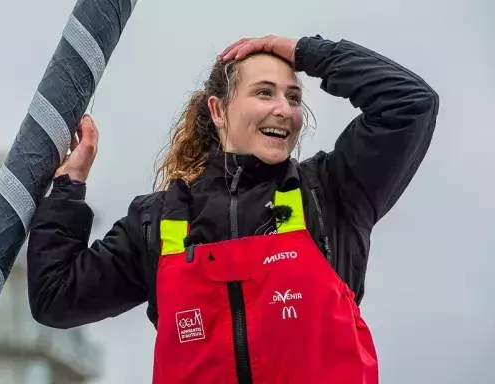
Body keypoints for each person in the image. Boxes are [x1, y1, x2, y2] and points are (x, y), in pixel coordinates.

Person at [26, 34, 438, 383]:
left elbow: (410, 102)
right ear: (219, 110)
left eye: (293, 97)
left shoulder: (330, 195)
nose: (284, 109)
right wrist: (68, 187)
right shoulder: (160, 221)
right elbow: (55, 297)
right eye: (264, 92)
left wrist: (304, 52)